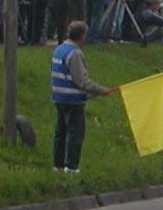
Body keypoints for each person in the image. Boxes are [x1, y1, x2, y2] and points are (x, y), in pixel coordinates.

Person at [49, 20, 115, 173]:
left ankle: (57, 164)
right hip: (73, 99)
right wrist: (100, 90)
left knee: (60, 132)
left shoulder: (59, 49)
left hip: (59, 96)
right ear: (82, 36)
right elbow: (81, 81)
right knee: (75, 133)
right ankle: (71, 166)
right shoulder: (75, 53)